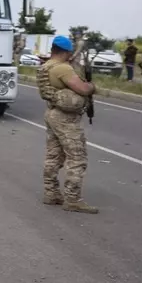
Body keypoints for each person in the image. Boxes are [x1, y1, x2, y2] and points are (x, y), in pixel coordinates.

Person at [37, 36, 99, 213]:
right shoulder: (62, 68)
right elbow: (82, 89)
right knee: (77, 157)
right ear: (66, 52)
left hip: (52, 112)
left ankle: (51, 193)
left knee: (54, 155)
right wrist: (92, 86)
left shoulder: (46, 66)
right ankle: (72, 199)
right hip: (65, 118)